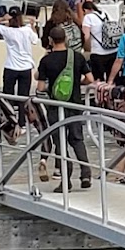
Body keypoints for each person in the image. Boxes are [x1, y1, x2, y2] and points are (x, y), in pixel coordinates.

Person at [36, 24, 94, 192]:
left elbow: (40, 88)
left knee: (60, 142)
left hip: (56, 106)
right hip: (75, 103)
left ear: (50, 41)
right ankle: (85, 172)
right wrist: (77, 83)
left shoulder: (46, 61)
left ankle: (66, 181)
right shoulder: (77, 57)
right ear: (66, 39)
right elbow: (90, 79)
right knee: (77, 139)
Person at [0, 7, 38, 134]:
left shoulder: (7, 30)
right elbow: (35, 40)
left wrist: (2, 18)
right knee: (23, 97)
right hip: (25, 67)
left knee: (8, 96)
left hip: (11, 66)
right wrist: (32, 26)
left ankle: (10, 122)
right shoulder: (26, 30)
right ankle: (22, 124)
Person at [82, 0, 118, 81]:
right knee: (111, 81)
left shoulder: (88, 17)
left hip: (98, 53)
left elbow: (86, 36)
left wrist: (86, 49)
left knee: (99, 81)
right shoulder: (105, 14)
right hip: (113, 51)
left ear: (85, 10)